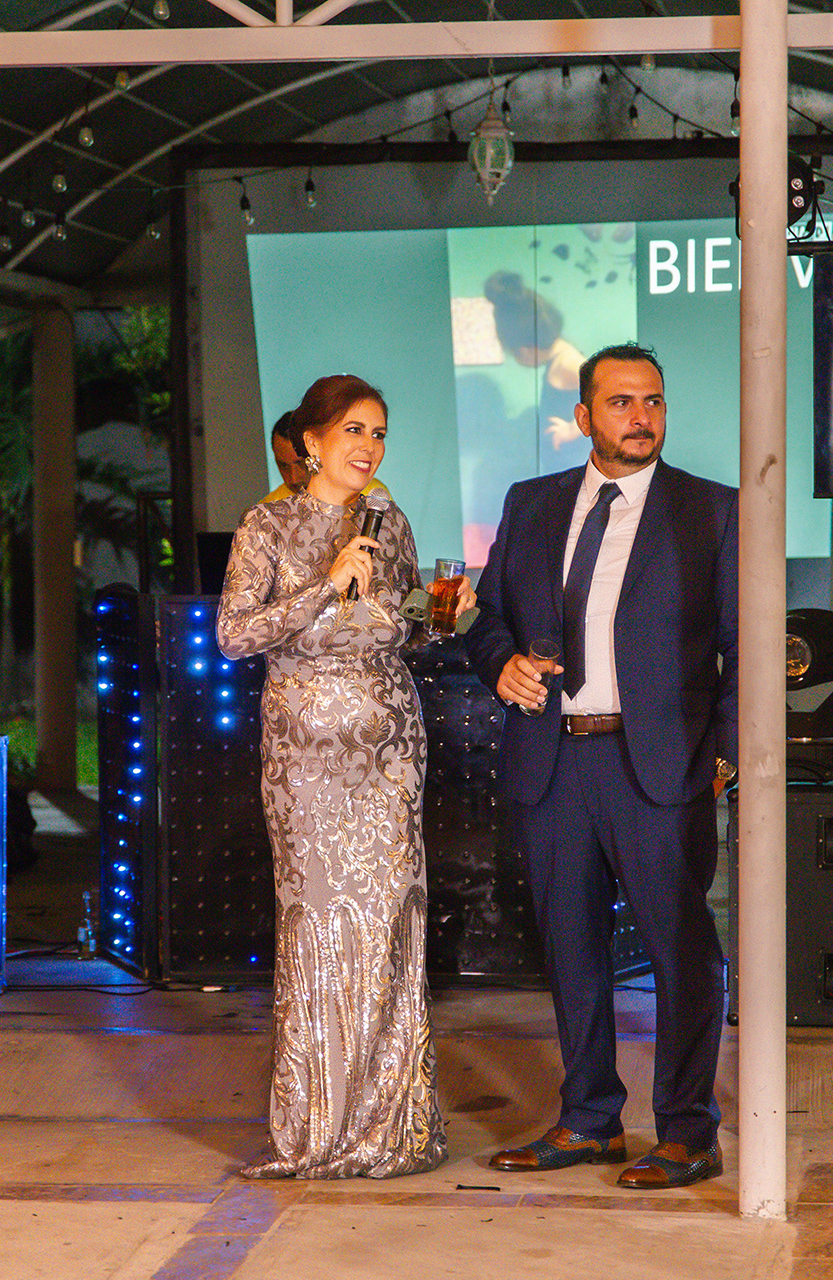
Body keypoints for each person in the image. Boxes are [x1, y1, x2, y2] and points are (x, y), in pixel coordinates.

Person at [464, 343, 737, 1190]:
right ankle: (589, 1121)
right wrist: (501, 663)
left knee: (681, 951)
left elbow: (746, 642)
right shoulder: (532, 503)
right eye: (621, 402)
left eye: (653, 401)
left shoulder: (712, 509)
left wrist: (726, 751)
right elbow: (489, 618)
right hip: (553, 759)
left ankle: (688, 1130)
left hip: (659, 763)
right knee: (571, 949)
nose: (641, 417)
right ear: (584, 416)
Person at [217, 373, 471, 1179]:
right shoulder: (267, 525)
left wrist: (442, 615)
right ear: (313, 441)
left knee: (391, 918)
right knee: (321, 925)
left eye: (380, 433)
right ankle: (316, 1127)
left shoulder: (388, 521)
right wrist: (324, 584)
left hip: (390, 750)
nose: (369, 447)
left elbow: (402, 626)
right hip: (307, 757)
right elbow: (235, 635)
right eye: (355, 430)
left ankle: (389, 1126)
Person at [484, 271, 587, 453]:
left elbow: (613, 393)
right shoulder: (558, 359)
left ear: (523, 349)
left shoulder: (567, 362)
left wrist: (573, 429)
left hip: (573, 462)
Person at [263, 409, 389, 504]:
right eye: (284, 466)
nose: (294, 478)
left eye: (301, 464)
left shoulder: (372, 495)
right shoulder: (268, 512)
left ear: (315, 447)